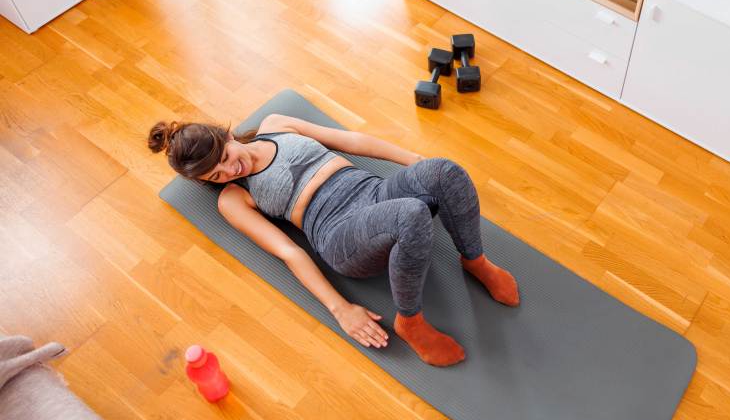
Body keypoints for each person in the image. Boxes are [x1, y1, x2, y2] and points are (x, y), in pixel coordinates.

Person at [148, 114, 520, 367]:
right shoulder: (233, 198)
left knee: (445, 171)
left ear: (226, 136)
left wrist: (419, 163)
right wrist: (340, 308)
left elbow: (352, 141)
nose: (230, 170)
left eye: (226, 158)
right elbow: (289, 252)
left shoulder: (276, 124)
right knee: (410, 214)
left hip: (375, 192)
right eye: (216, 175)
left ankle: (475, 261)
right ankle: (411, 321)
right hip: (341, 235)